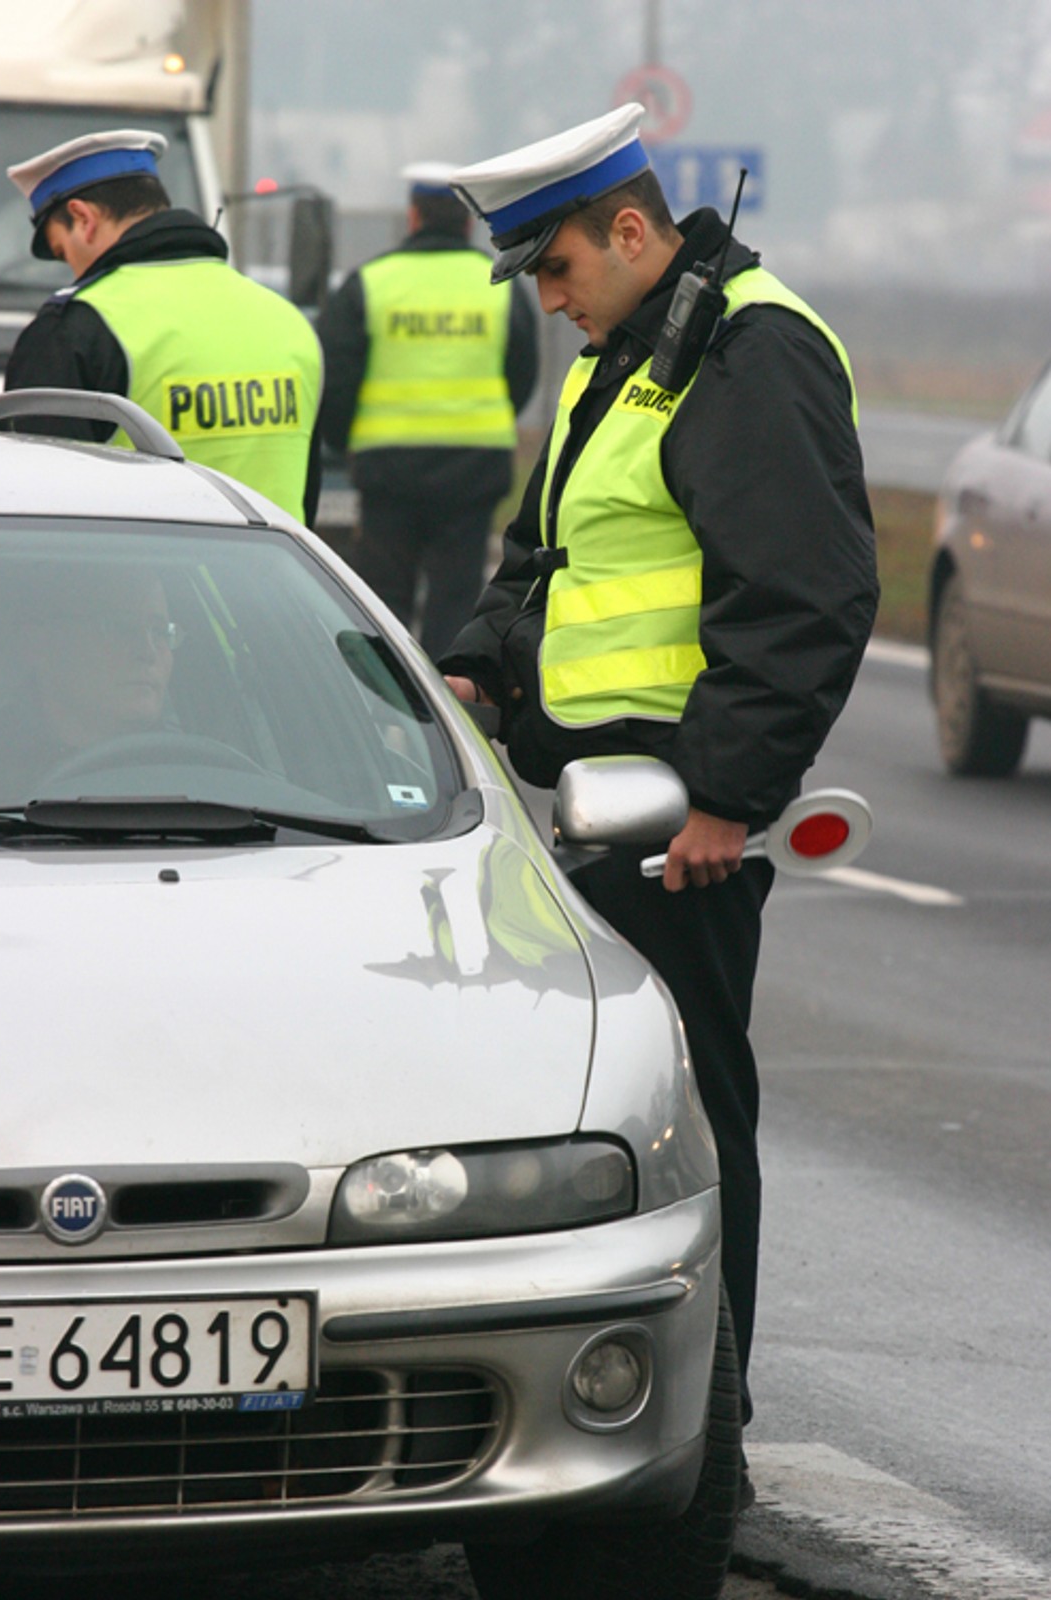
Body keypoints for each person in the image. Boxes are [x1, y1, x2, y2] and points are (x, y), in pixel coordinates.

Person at [440, 103, 880, 1493]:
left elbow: (805, 597)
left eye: (557, 268)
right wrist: (474, 676)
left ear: (630, 231)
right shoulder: (628, 354)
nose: (549, 301)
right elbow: (548, 561)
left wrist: (726, 803)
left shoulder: (749, 354)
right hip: (580, 816)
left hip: (673, 831)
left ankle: (707, 1454)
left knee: (683, 1140)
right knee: (595, 1133)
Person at [3, 129, 323, 526]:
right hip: (267, 584)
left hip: (139, 587)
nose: (70, 267)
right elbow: (305, 497)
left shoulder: (75, 327)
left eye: (61, 251)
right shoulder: (287, 322)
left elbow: (30, 512)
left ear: (84, 219)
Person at [316, 160, 539, 658]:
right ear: (466, 222)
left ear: (413, 216)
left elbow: (336, 371)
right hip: (473, 467)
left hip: (388, 467)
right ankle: (447, 701)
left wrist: (345, 439)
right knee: (456, 598)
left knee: (382, 599)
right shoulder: (499, 284)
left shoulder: (371, 281)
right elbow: (522, 372)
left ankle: (383, 706)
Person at [0, 564, 179, 794]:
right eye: (119, 627)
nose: (147, 652)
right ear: (38, 643)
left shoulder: (191, 767)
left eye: (159, 632)